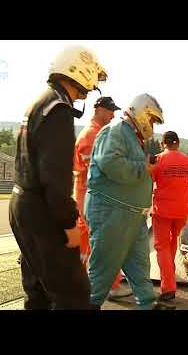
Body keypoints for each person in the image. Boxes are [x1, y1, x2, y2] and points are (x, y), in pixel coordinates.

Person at [9, 45, 107, 310]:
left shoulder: (39, 102)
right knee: (73, 292)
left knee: (38, 290)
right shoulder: (59, 110)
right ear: (81, 70)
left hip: (21, 203)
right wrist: (69, 223)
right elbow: (56, 177)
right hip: (42, 209)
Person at [84, 93, 174, 310]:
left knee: (138, 265)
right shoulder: (115, 131)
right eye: (151, 119)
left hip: (131, 214)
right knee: (103, 268)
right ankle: (88, 305)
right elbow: (110, 162)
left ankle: (147, 303)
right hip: (111, 212)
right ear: (142, 113)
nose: (152, 125)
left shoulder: (133, 137)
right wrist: (143, 167)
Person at [73, 96, 132, 300]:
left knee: (90, 242)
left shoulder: (96, 133)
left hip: (88, 195)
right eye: (109, 110)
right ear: (98, 109)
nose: (113, 115)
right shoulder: (92, 135)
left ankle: (84, 282)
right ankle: (109, 286)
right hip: (92, 196)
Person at [151, 131, 188, 301]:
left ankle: (168, 287)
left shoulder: (157, 159)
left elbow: (149, 177)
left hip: (162, 211)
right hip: (181, 211)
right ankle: (169, 271)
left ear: (163, 143)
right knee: (172, 241)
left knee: (162, 246)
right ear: (177, 143)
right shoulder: (187, 160)